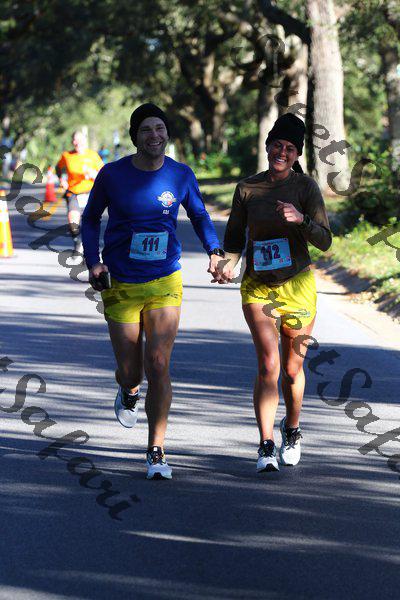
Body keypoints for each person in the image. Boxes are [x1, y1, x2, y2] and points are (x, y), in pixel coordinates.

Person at [81, 103, 223, 480]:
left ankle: (156, 450)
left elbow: (199, 215)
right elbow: (90, 218)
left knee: (158, 363)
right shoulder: (112, 175)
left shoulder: (180, 174)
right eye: (146, 129)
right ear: (135, 136)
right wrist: (94, 261)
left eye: (160, 128)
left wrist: (214, 250)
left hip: (164, 280)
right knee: (131, 371)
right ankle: (128, 391)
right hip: (121, 282)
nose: (154, 135)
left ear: (167, 134)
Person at [215, 113, 332, 473]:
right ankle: (265, 444)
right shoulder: (247, 189)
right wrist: (227, 264)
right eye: (277, 145)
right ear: (267, 147)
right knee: (269, 364)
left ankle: (291, 430)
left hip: (297, 285)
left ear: (297, 155)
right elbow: (234, 238)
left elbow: (325, 241)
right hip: (258, 286)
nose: (282, 152)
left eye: (290, 148)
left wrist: (302, 220)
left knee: (292, 371)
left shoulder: (306, 188)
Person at [56, 131, 103, 262]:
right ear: (72, 142)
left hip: (91, 192)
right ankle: (78, 243)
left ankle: (91, 251)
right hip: (73, 192)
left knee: (91, 222)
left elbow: (103, 172)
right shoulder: (67, 156)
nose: (77, 143)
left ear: (85, 140)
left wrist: (94, 174)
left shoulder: (93, 156)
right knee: (73, 222)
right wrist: (62, 179)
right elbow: (59, 168)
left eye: (80, 140)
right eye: (75, 140)